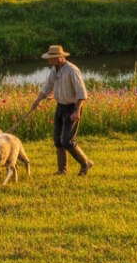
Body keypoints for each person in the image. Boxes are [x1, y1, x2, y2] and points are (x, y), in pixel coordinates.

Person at [29, 44, 94, 176]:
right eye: (49, 58)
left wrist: (77, 111)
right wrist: (37, 100)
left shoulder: (72, 70)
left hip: (72, 107)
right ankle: (62, 170)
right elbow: (48, 86)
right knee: (58, 140)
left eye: (53, 58)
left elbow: (81, 93)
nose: (50, 60)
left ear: (61, 57)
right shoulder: (55, 70)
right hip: (60, 106)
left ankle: (86, 163)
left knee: (67, 141)